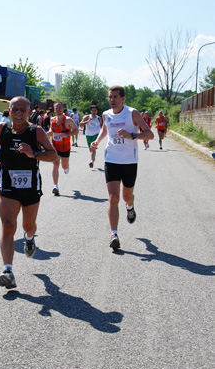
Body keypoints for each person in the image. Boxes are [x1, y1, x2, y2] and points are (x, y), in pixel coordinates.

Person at [0, 96, 57, 289]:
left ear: (28, 111)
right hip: (7, 185)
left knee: (28, 225)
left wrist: (35, 154)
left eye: (22, 110)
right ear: (9, 109)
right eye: (14, 109)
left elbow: (53, 155)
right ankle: (8, 270)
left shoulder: (36, 131)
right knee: (8, 226)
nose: (18, 113)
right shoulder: (2, 128)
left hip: (31, 186)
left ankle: (30, 238)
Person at [91, 86, 154, 250]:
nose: (112, 100)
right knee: (113, 197)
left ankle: (130, 206)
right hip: (111, 159)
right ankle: (114, 234)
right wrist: (97, 141)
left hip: (129, 161)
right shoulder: (106, 114)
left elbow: (150, 134)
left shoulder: (132, 113)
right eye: (110, 97)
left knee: (127, 196)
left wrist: (132, 135)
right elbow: (105, 129)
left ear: (123, 99)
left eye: (115, 97)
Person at [50, 102, 78, 196]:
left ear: (63, 109)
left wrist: (67, 134)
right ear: (54, 110)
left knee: (64, 166)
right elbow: (51, 131)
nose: (58, 109)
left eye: (59, 108)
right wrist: (47, 134)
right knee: (55, 164)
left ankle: (66, 167)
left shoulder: (68, 120)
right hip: (55, 146)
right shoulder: (52, 120)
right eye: (56, 108)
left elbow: (76, 130)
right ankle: (55, 186)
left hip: (65, 147)